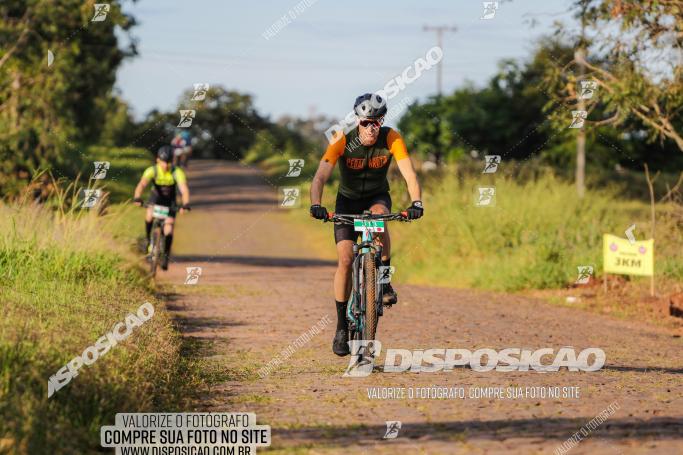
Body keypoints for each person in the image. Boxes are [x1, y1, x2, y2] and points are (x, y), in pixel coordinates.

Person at [309, 93, 424, 356]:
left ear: (382, 121)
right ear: (357, 120)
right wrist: (316, 204)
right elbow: (320, 177)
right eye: (365, 123)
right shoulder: (342, 138)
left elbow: (409, 173)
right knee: (346, 259)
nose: (371, 128)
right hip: (346, 201)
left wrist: (416, 202)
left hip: (376, 196)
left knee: (380, 219)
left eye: (376, 122)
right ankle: (341, 326)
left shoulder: (391, 137)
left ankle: (383, 282)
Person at [133, 146, 191, 270]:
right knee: (149, 216)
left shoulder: (177, 172)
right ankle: (148, 240)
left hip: (170, 201)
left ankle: (166, 255)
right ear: (157, 160)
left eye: (168, 162)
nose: (166, 165)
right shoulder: (151, 170)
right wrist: (137, 197)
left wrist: (185, 204)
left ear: (172, 162)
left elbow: (184, 189)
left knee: (168, 229)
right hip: (155, 198)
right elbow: (142, 184)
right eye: (163, 161)